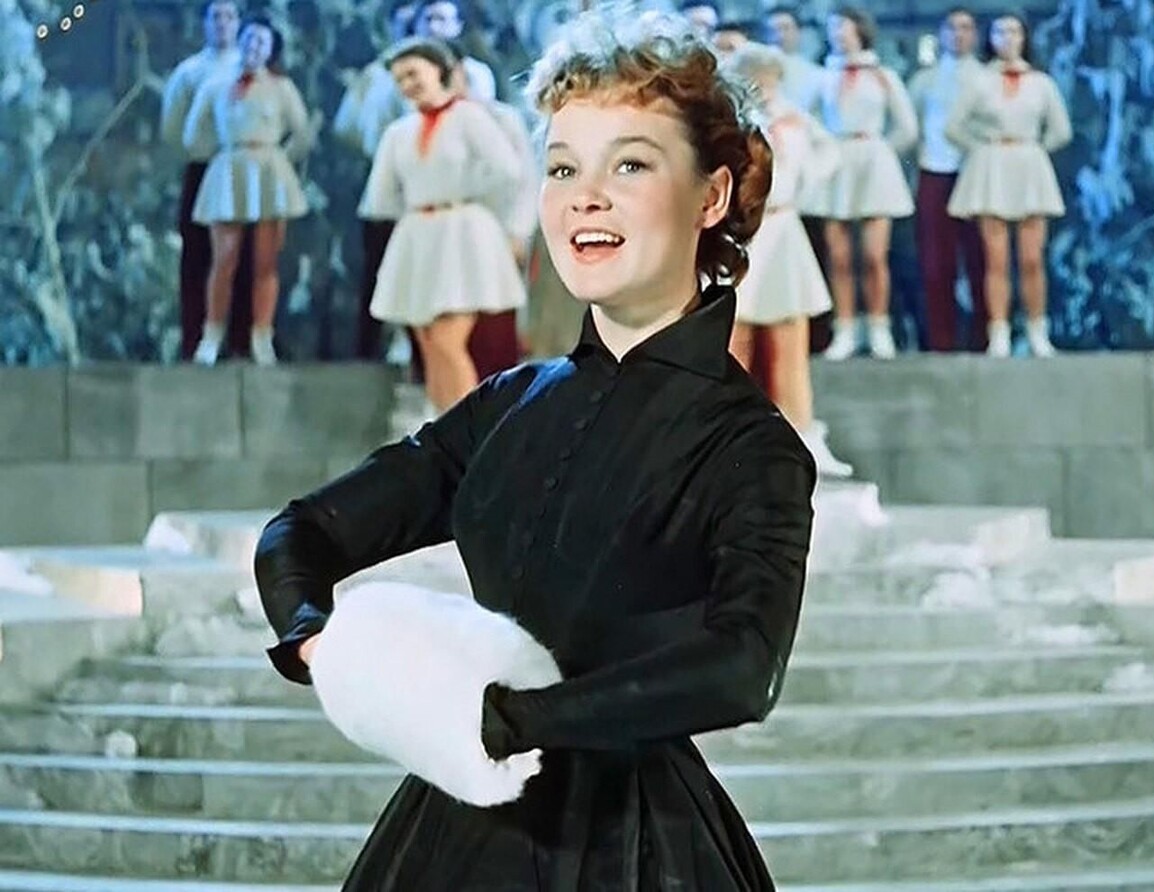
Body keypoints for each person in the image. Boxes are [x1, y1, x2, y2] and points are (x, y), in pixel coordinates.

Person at [254, 10, 814, 889]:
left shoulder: (751, 445)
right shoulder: (509, 405)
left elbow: (743, 670)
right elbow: (301, 533)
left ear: (711, 197)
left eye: (630, 164)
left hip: (638, 847)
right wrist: (321, 645)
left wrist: (509, 721)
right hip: (454, 826)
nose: (584, 196)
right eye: (562, 167)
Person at [358, 38, 526, 412]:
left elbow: (507, 170)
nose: (407, 84)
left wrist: (463, 193)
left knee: (449, 339)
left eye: (413, 73)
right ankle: (441, 426)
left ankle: (469, 430)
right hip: (420, 235)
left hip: (462, 234)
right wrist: (417, 205)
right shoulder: (399, 132)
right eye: (400, 79)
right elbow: (380, 197)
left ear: (439, 71)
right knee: (430, 341)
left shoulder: (469, 117)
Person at [727, 42, 851, 478]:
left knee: (789, 336)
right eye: (757, 78)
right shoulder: (730, 120)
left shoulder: (793, 118)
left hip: (784, 228)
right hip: (744, 232)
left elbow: (828, 153)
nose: (765, 86)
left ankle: (801, 435)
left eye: (771, 78)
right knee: (734, 336)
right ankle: (727, 440)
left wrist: (804, 184)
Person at [184, 16, 312, 365]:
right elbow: (194, 132)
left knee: (265, 262)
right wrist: (222, 155)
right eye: (250, 39)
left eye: (262, 43)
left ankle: (262, 335)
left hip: (268, 172)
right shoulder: (215, 84)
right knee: (223, 258)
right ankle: (211, 334)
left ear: (270, 50)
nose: (254, 47)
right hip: (230, 171)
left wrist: (278, 160)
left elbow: (302, 132)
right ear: (240, 40)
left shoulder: (281, 87)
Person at [946, 12, 1072, 357]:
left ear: (1025, 38)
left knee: (1032, 258)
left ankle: (1037, 330)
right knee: (996, 259)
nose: (1008, 38)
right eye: (1000, 32)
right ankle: (998, 332)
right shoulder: (979, 82)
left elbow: (1061, 130)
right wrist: (982, 148)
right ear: (990, 39)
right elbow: (953, 127)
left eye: (1014, 31)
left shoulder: (1041, 83)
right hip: (993, 170)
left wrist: (1035, 150)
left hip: (1029, 168)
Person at [809, 6, 918, 360]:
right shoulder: (823, 77)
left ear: (859, 29)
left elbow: (907, 127)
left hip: (873, 163)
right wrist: (825, 151)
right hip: (837, 164)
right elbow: (808, 122)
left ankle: (878, 327)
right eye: (832, 28)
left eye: (843, 26)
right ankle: (845, 329)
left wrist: (881, 151)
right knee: (839, 256)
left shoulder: (883, 76)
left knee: (874, 255)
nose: (837, 33)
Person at [160, 0, 253, 361]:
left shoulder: (252, 69)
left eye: (230, 17)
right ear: (204, 23)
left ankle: (241, 341)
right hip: (203, 169)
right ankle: (194, 338)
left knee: (245, 256)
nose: (223, 24)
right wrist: (201, 151)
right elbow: (173, 127)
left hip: (244, 172)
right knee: (197, 256)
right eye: (216, 17)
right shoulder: (189, 72)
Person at [334, 1, 414, 360]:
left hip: (423, 182)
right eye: (402, 24)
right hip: (384, 178)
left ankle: (408, 338)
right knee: (379, 263)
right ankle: (373, 343)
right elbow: (346, 126)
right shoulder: (376, 75)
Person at [908, 7, 987, 352]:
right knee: (936, 262)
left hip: (980, 173)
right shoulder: (924, 80)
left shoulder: (987, 78)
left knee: (982, 259)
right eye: (952, 27)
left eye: (966, 27)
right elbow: (912, 129)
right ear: (941, 34)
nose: (958, 34)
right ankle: (942, 340)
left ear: (976, 35)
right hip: (935, 172)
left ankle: (985, 337)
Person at [410, 0, 497, 101]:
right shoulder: (405, 74)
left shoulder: (475, 72)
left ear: (458, 26)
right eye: (428, 19)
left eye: (441, 19)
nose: (433, 27)